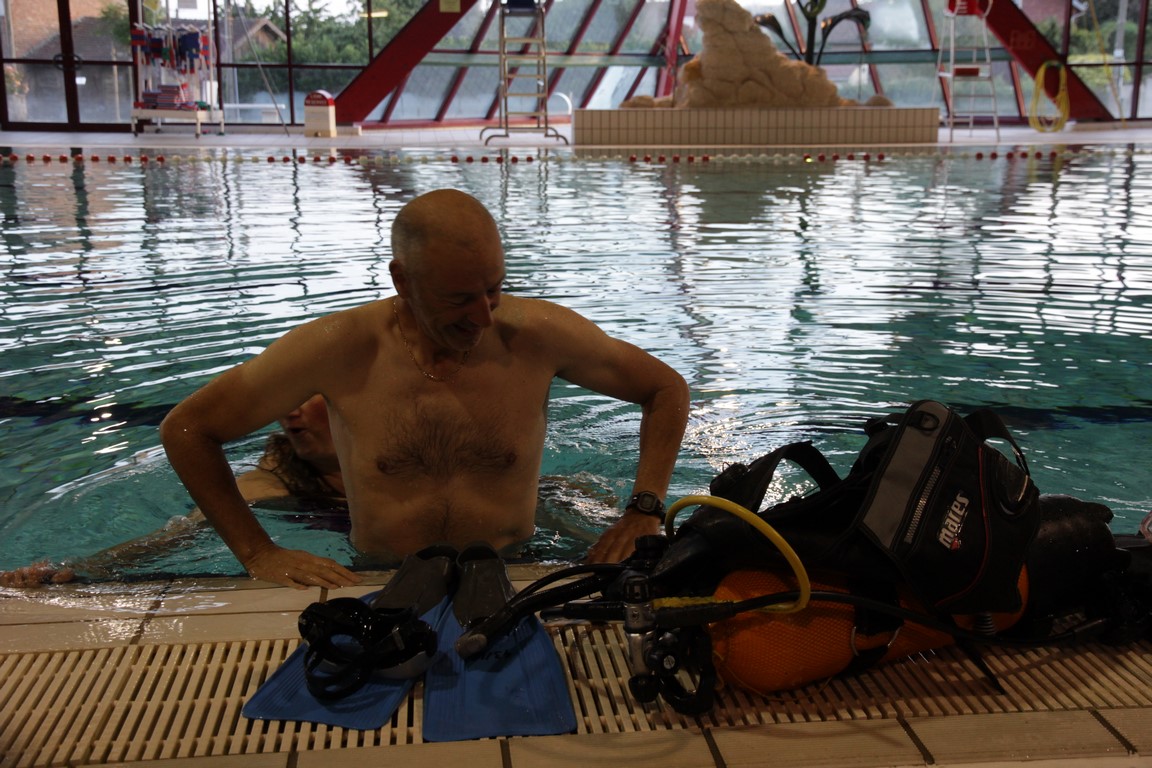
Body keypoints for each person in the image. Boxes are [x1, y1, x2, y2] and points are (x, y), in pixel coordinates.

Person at [160, 188, 690, 590]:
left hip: (516, 568)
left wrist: (644, 508)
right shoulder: (338, 348)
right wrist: (258, 553)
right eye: (459, 300)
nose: (484, 316)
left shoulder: (539, 336)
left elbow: (665, 388)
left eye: (493, 289)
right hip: (378, 577)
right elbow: (188, 428)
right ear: (402, 281)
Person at [0, 396, 345, 587]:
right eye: (289, 398)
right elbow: (177, 537)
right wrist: (77, 571)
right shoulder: (270, 483)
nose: (288, 410)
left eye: (306, 397)